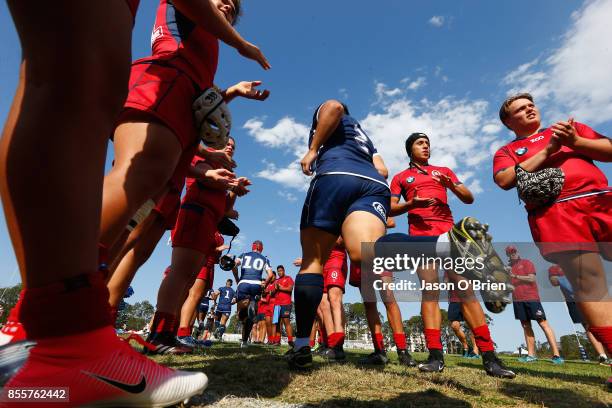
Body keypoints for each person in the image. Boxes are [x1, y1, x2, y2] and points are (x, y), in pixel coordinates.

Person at [0, 1, 218, 404]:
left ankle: (65, 328)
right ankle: (54, 324)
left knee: (64, 75)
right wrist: (239, 42)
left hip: (181, 89)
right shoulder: (191, 33)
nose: (226, 6)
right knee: (74, 73)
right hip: (167, 79)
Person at [493, 92, 611, 385]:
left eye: (530, 104)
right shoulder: (507, 151)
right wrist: (548, 151)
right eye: (520, 109)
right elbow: (505, 180)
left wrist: (575, 142)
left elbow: (609, 149)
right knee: (590, 283)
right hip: (555, 212)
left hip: (598, 199)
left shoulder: (568, 129)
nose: (529, 108)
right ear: (509, 122)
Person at [389, 132, 514, 378]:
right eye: (420, 143)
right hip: (420, 238)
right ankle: (435, 355)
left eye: (427, 144)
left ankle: (490, 358)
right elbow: (392, 208)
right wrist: (412, 205)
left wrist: (451, 185)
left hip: (450, 236)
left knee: (465, 290)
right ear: (409, 149)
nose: (426, 147)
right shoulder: (401, 177)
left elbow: (469, 198)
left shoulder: (443, 170)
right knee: (430, 291)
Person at [286, 100, 392, 369]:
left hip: (336, 174)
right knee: (363, 252)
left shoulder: (329, 114)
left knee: (312, 261)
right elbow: (383, 170)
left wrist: (312, 151)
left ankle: (301, 346)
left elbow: (333, 105)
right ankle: (439, 244)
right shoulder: (365, 136)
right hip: (374, 186)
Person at [505, 246, 563, 363]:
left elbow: (532, 279)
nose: (513, 254)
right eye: (510, 253)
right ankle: (531, 355)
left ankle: (556, 355)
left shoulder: (526, 263)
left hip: (531, 298)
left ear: (517, 252)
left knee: (543, 323)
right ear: (508, 255)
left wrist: (514, 276)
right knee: (526, 326)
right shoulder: (508, 269)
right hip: (517, 300)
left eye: (514, 251)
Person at [548, 265, 608, 364]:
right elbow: (554, 281)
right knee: (588, 327)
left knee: (600, 324)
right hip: (573, 301)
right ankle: (602, 355)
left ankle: (609, 353)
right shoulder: (554, 268)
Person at [232, 240, 274, 347]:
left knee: (241, 314)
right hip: (256, 284)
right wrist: (264, 286)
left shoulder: (244, 255)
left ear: (252, 247)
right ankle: (245, 342)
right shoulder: (265, 259)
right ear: (261, 249)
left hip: (243, 283)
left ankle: (243, 315)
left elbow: (234, 265)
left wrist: (237, 278)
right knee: (251, 315)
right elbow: (270, 275)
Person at [273, 265, 295, 347]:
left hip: (286, 303)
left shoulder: (288, 278)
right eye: (278, 271)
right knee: (278, 323)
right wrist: (274, 290)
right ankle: (277, 341)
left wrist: (280, 288)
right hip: (277, 304)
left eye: (281, 270)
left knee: (286, 321)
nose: (279, 272)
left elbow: (290, 289)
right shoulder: (276, 281)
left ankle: (290, 340)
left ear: (284, 270)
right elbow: (273, 293)